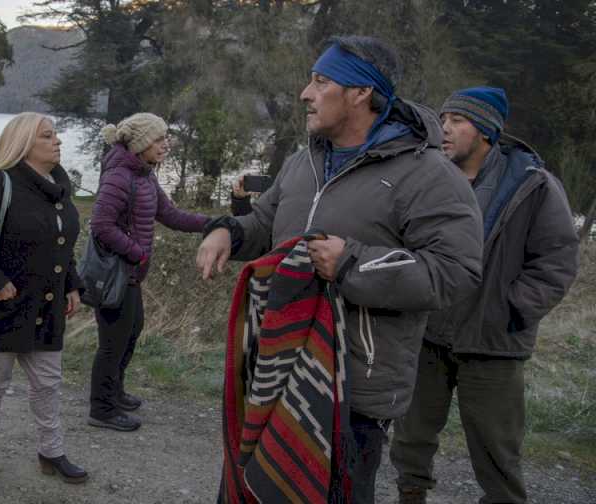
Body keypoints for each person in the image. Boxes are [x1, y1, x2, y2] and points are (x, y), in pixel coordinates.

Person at [196, 35, 484, 503]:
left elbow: (455, 271)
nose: (305, 93)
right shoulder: (304, 159)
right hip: (276, 365)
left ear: (361, 92)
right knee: (254, 488)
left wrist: (352, 262)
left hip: (355, 390)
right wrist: (228, 231)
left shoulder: (427, 174)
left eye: (321, 81)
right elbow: (267, 222)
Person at [390, 87, 579, 504]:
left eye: (458, 121)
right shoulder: (430, 178)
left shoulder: (533, 186)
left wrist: (511, 310)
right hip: (427, 335)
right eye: (444, 120)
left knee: (498, 457)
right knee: (409, 440)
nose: (446, 129)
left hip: (493, 343)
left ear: (487, 133)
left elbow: (557, 260)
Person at [0, 112, 88, 494]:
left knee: (48, 384)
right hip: (3, 309)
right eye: (47, 136)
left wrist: (72, 285)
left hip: (47, 309)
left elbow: (61, 243)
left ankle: (51, 452)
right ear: (25, 144)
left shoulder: (59, 185)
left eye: (56, 134)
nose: (57, 141)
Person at [87, 113, 211, 432]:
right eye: (159, 139)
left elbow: (170, 215)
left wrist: (213, 224)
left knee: (131, 330)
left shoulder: (144, 176)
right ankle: (101, 409)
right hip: (116, 274)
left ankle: (114, 392)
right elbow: (100, 225)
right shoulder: (119, 176)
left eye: (165, 137)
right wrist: (137, 252)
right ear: (141, 143)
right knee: (113, 342)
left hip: (131, 275)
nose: (165, 144)